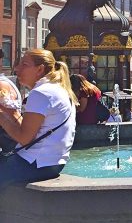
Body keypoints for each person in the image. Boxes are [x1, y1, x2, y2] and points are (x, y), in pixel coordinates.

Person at [0, 49, 77, 187]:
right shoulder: (56, 89)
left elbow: (24, 139)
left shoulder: (41, 93)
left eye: (24, 64)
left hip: (34, 163)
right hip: (52, 163)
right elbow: (31, 131)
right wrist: (10, 112)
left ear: (40, 69)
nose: (17, 68)